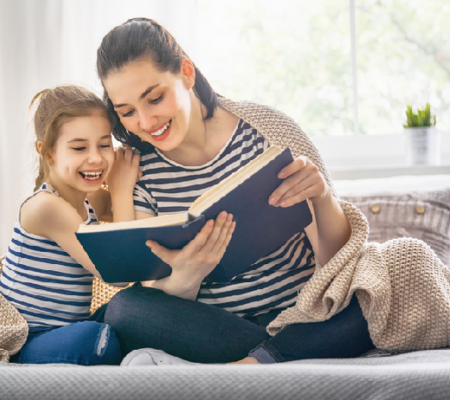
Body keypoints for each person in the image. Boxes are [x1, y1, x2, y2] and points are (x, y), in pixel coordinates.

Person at [95, 17, 381, 364]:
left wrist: (321, 200)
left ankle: (253, 364)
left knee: (390, 272)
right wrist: (186, 279)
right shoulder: (140, 171)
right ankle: (273, 357)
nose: (145, 122)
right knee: (124, 310)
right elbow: (154, 294)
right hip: (218, 330)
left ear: (186, 73)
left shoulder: (267, 132)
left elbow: (337, 261)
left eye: (154, 98)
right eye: (127, 112)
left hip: (305, 313)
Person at [0, 85, 138, 365]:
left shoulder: (88, 200)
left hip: (71, 327)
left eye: (104, 144)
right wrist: (121, 189)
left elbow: (127, 222)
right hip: (32, 340)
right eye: (79, 147)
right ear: (48, 154)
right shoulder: (46, 207)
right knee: (93, 338)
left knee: (137, 306)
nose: (96, 158)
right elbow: (119, 273)